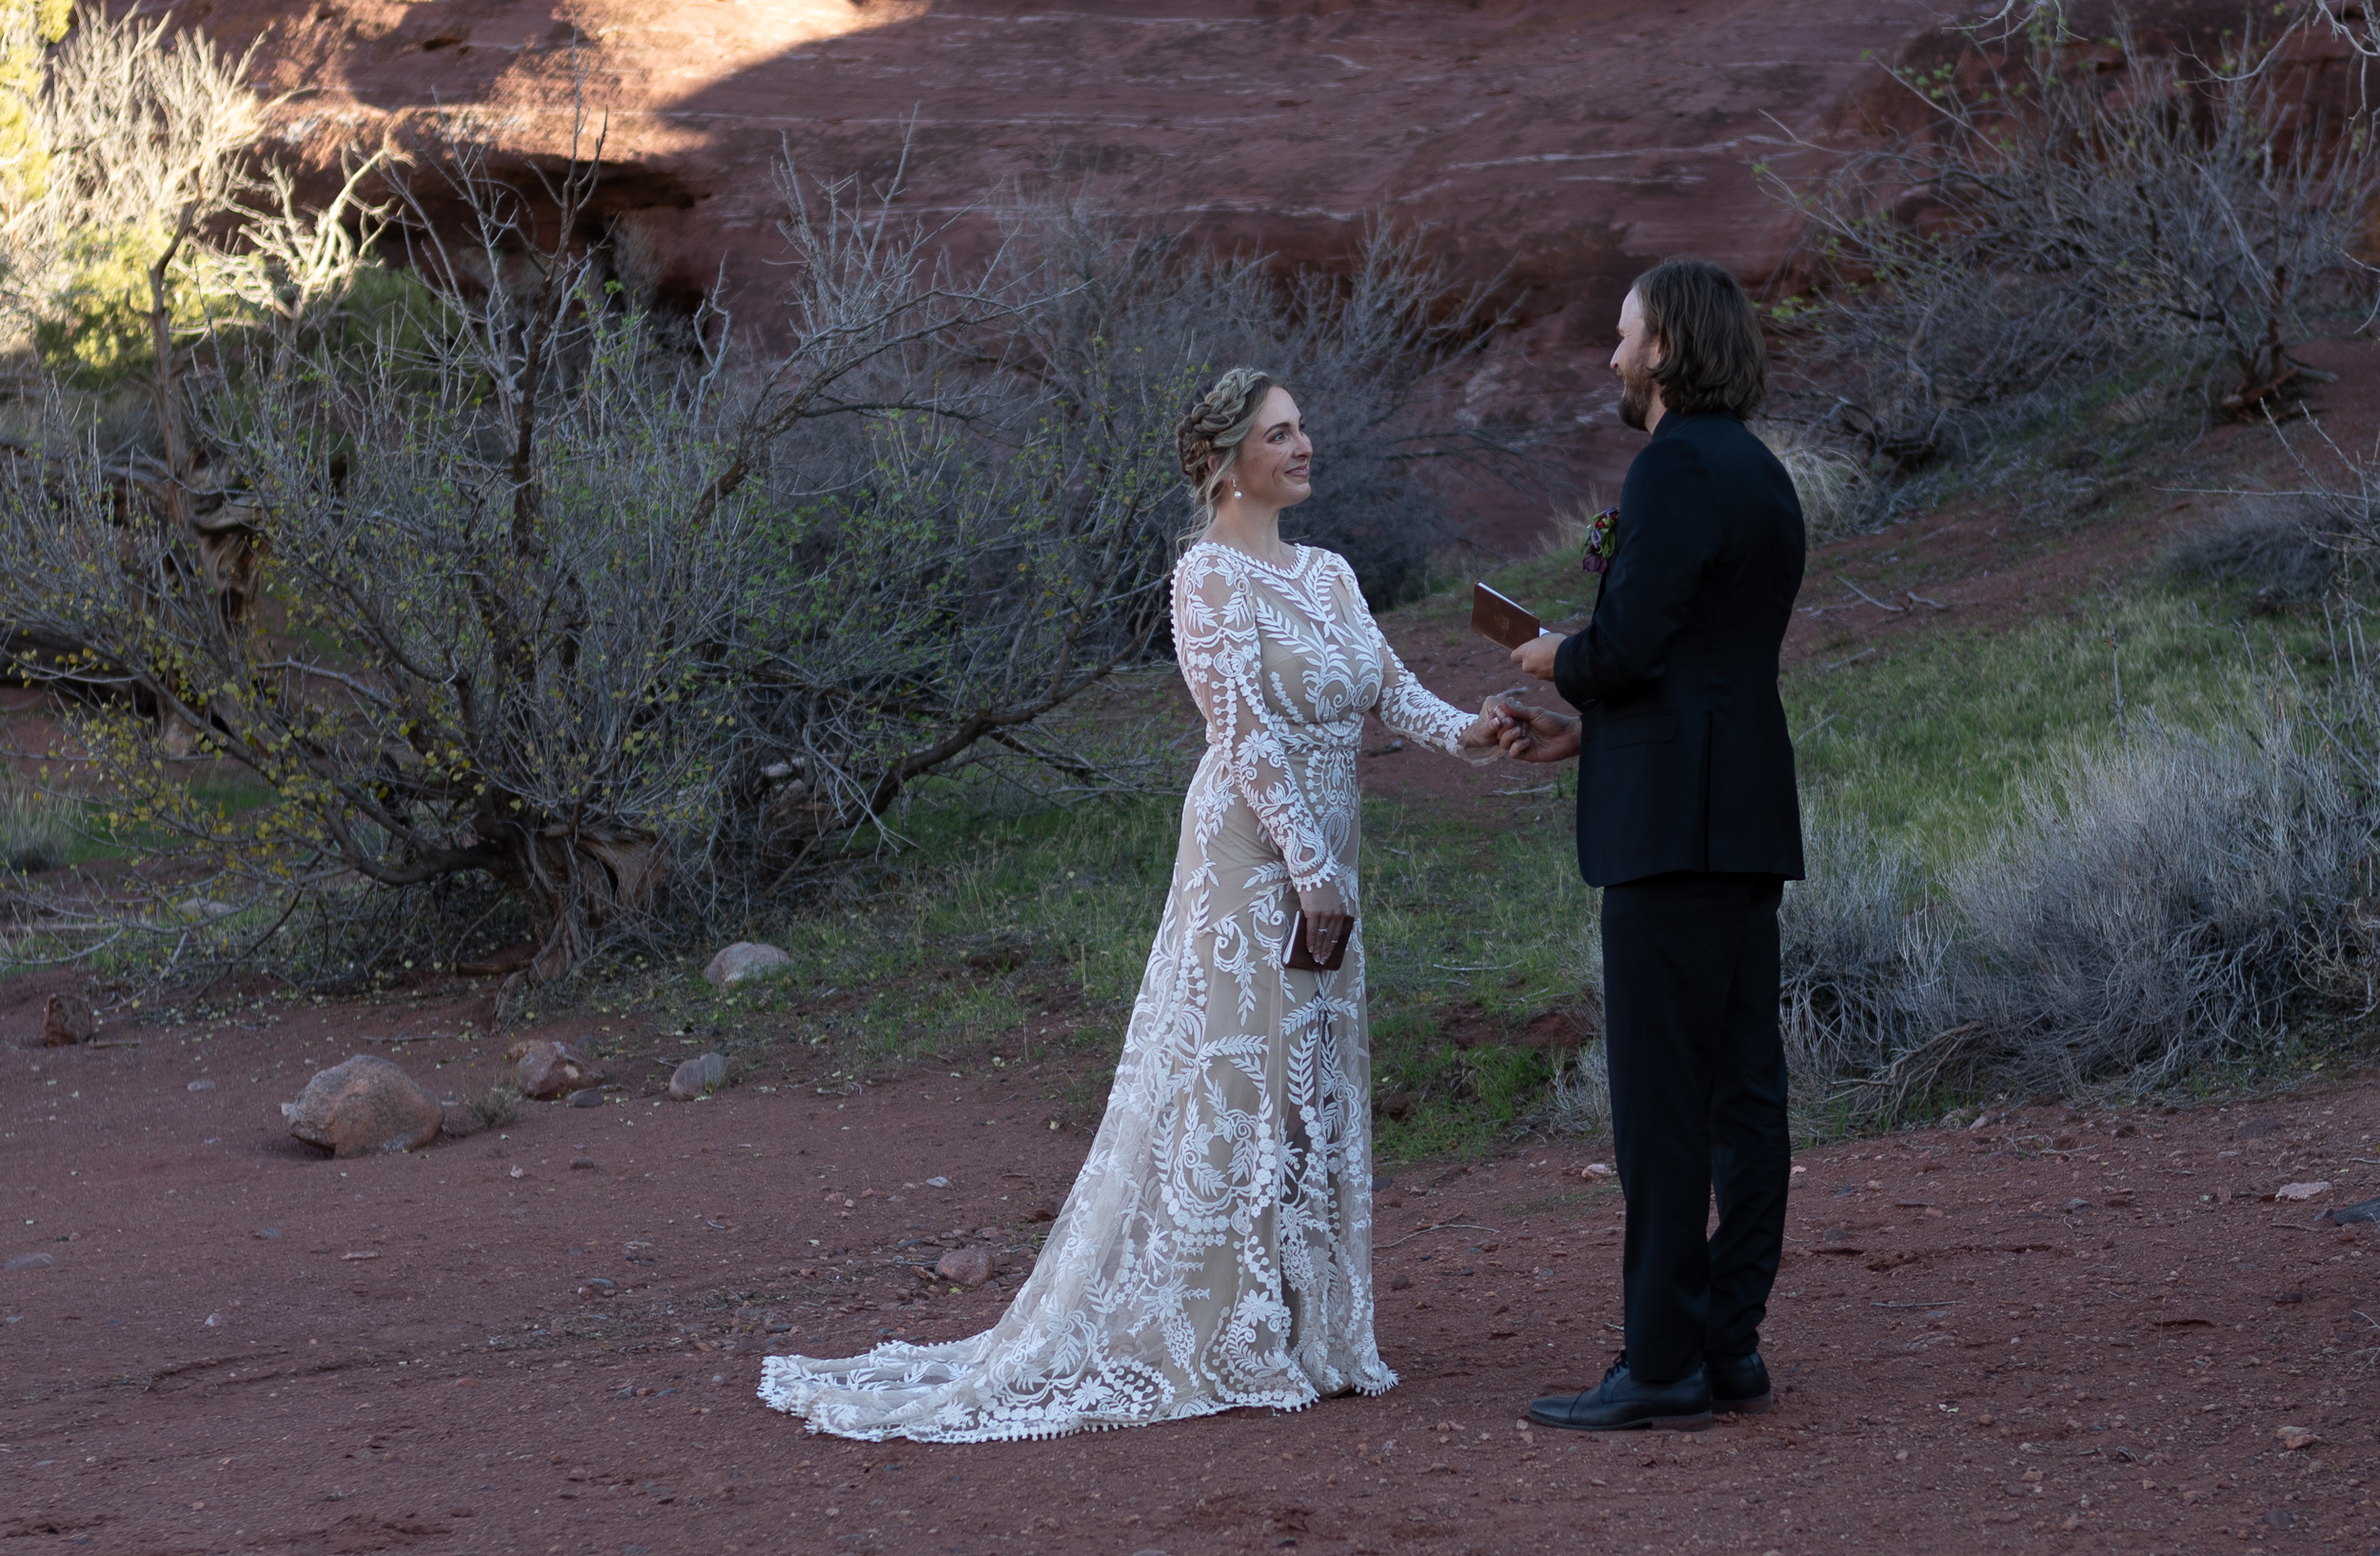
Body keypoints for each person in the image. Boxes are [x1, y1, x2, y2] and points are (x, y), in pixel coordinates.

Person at [759, 368, 1505, 1442]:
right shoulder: (1204, 577)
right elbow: (1242, 735)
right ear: (1225, 461)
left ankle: (1304, 1326)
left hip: (1327, 859)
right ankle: (1222, 1327)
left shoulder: (1332, 573)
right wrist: (1309, 867)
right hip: (1255, 857)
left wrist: (1474, 731)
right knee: (1235, 1072)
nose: (1303, 447)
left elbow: (1392, 693)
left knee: (1311, 1089)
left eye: (1302, 429)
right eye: (1278, 433)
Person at [1497, 258, 1807, 1431]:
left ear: (1667, 347)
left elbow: (1629, 645)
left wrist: (1552, 658)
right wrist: (1582, 737)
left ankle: (1665, 1355)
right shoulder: (1762, 473)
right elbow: (1704, 662)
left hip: (1668, 836)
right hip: (1737, 821)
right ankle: (1729, 1342)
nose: (1613, 356)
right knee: (1742, 1092)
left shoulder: (1673, 464)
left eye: (1624, 335)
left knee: (1662, 1105)